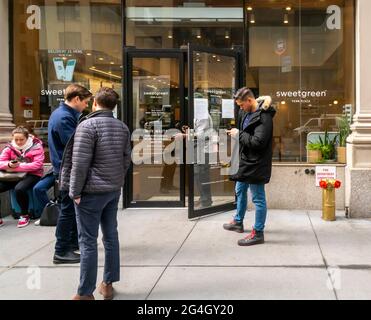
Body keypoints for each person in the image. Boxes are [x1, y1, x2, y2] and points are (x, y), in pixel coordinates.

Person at [59, 87, 131, 300]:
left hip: (90, 192)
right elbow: (126, 160)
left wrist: (75, 191)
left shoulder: (87, 125)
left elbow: (79, 163)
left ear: (94, 104)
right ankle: (108, 284)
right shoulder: (122, 127)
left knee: (88, 242)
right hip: (112, 190)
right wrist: (117, 180)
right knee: (111, 237)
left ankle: (85, 293)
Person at [224, 88, 275, 246]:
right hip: (245, 162)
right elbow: (244, 135)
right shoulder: (245, 113)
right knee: (239, 189)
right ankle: (238, 221)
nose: (240, 108)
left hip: (257, 164)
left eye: (241, 105)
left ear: (249, 101)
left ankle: (258, 233)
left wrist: (238, 134)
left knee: (258, 198)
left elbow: (258, 142)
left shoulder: (264, 117)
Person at [48, 84, 92, 264]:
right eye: (85, 102)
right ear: (76, 99)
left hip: (65, 169)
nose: (86, 106)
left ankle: (72, 243)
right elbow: (76, 146)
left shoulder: (64, 115)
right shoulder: (64, 118)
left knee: (71, 210)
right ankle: (61, 250)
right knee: (67, 210)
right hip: (67, 171)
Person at [0, 126, 45, 228]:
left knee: (19, 189)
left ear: (27, 137)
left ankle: (24, 215)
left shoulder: (37, 146)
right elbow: (0, 162)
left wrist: (17, 167)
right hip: (12, 176)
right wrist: (9, 165)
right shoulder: (9, 147)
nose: (19, 142)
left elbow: (37, 165)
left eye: (21, 139)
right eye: (16, 139)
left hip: (33, 174)